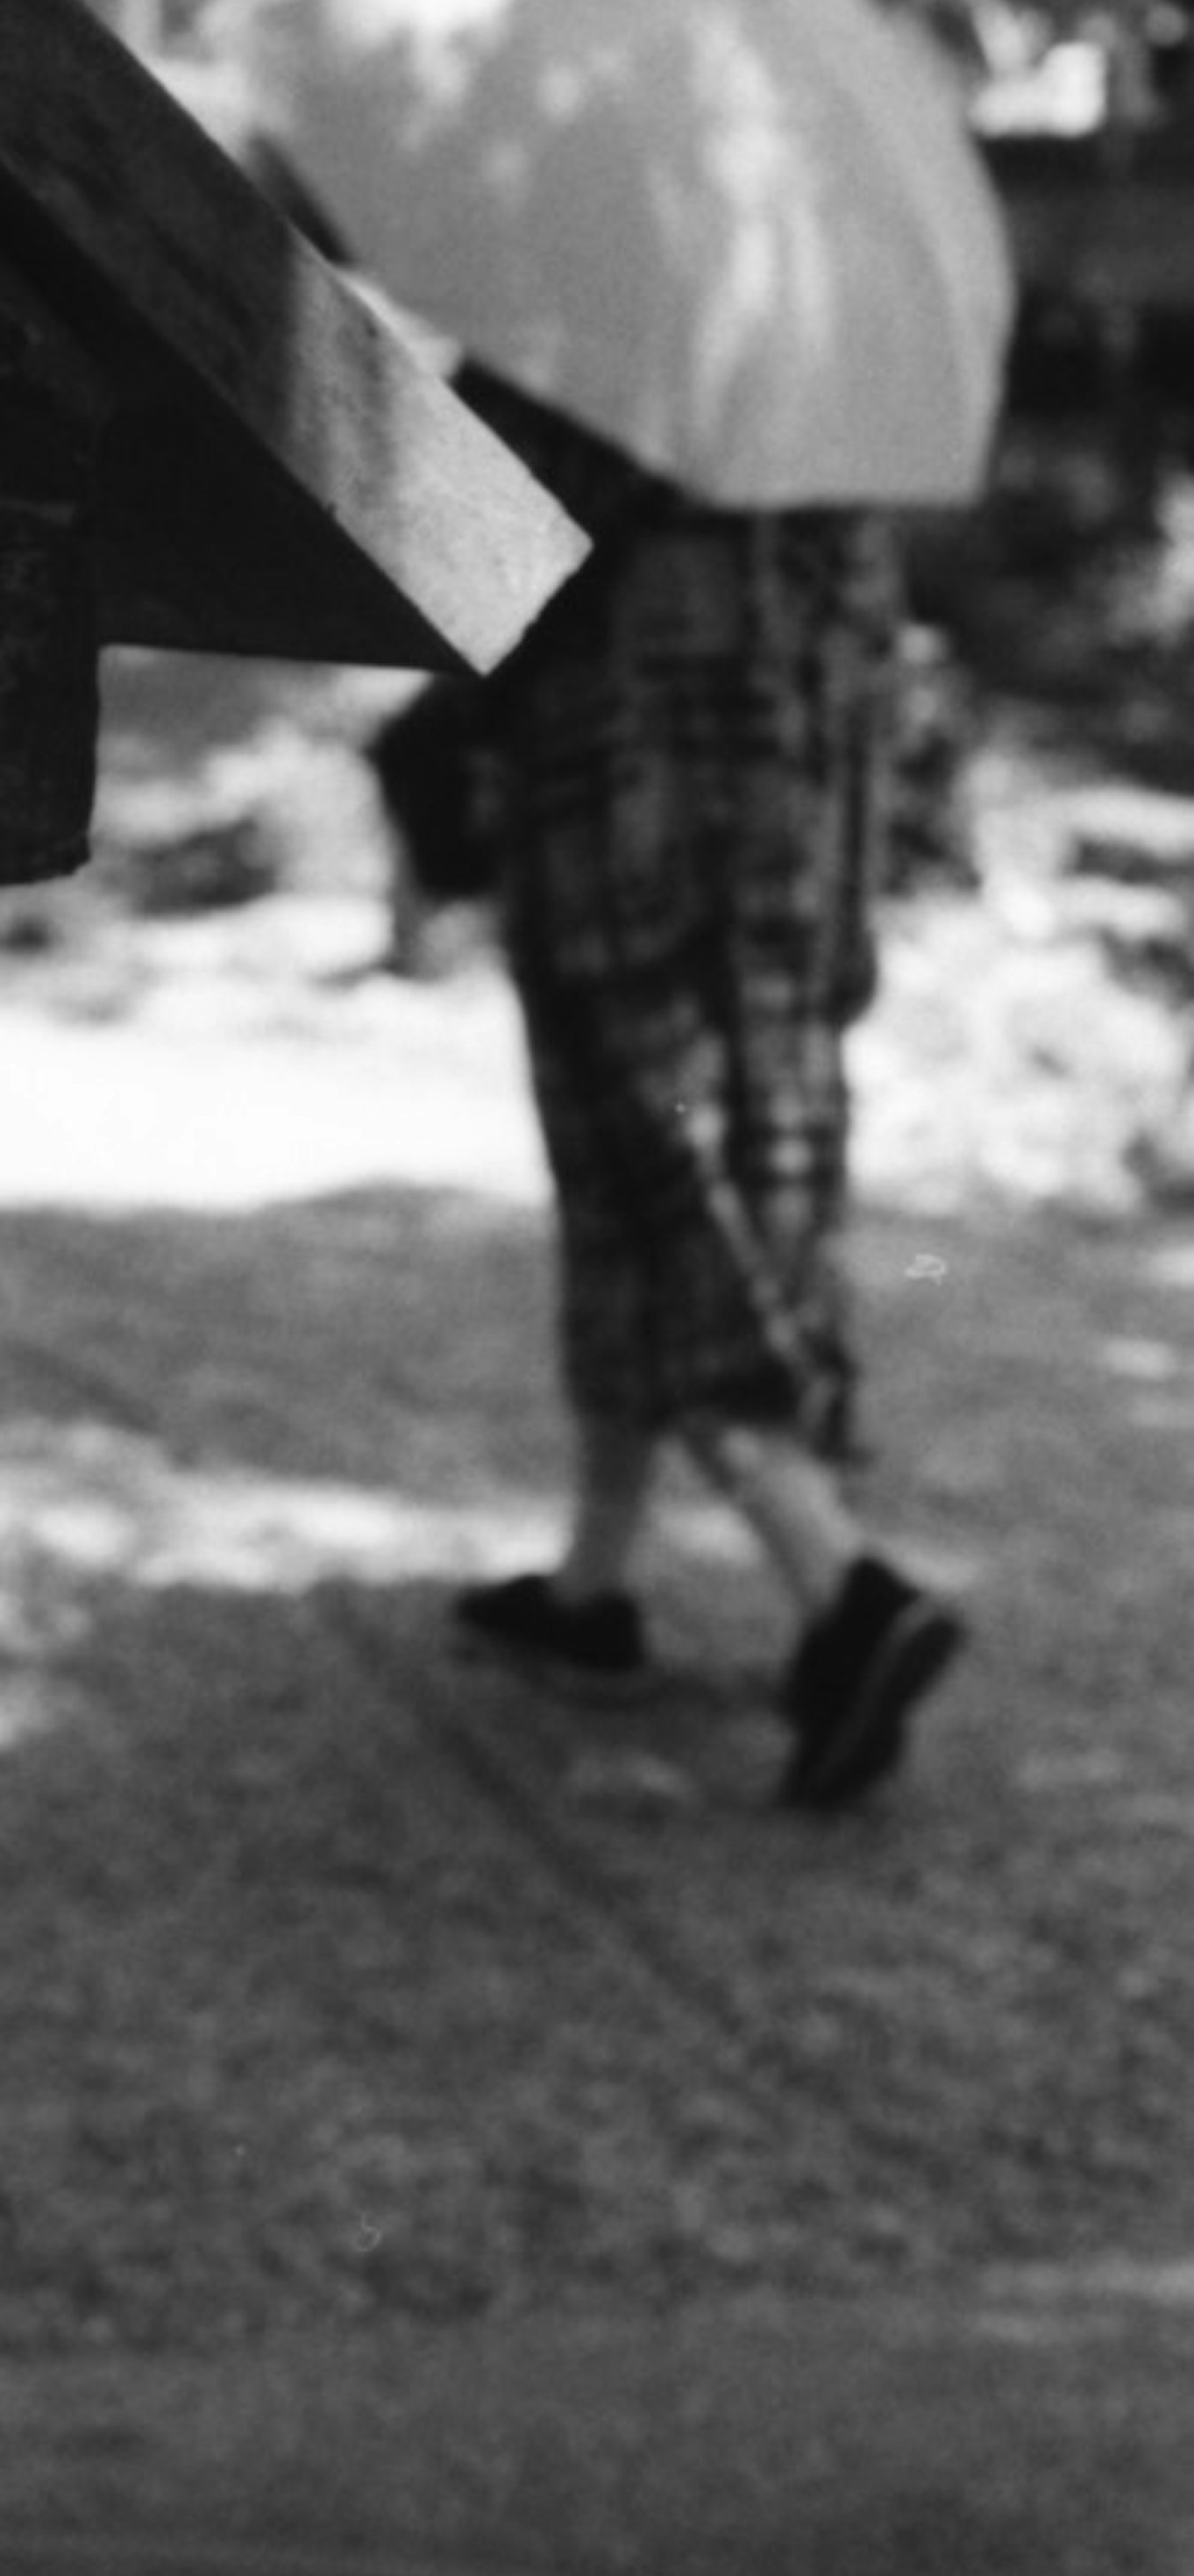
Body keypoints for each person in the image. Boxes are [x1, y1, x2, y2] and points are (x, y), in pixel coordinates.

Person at [409, 366, 965, 1814]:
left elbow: (461, 546)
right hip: (793, 871)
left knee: (659, 1187)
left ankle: (838, 1582)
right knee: (719, 1182)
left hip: (631, 839)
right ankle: (592, 1584)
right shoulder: (840, 390)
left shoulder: (598, 349)